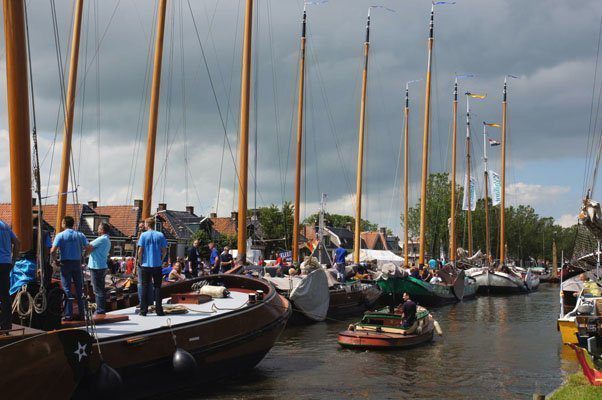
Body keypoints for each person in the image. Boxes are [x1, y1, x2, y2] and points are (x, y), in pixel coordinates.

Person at [51, 216, 89, 321]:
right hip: (77, 263)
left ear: (64, 223)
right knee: (79, 289)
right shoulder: (80, 235)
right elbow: (89, 247)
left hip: (65, 263)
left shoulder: (60, 235)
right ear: (72, 224)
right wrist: (84, 256)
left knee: (67, 288)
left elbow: (52, 250)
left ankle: (68, 315)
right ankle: (82, 314)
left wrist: (55, 261)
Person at [137, 218, 168, 316]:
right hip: (157, 265)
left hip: (146, 265)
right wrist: (161, 259)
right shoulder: (160, 235)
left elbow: (140, 251)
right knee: (158, 287)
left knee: (145, 287)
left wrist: (140, 261)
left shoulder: (143, 235)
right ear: (154, 224)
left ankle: (143, 311)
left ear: (147, 224)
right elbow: (164, 251)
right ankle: (159, 310)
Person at [86, 222, 111, 315]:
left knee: (97, 289)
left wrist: (85, 254)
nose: (97, 229)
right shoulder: (107, 240)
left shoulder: (101, 239)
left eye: (99, 228)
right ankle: (101, 308)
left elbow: (88, 245)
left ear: (102, 230)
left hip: (96, 266)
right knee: (100, 288)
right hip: (102, 266)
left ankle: (100, 310)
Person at [0, 219, 19, 331]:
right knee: (4, 295)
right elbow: (17, 243)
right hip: (6, 263)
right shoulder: (6, 226)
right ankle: (6, 325)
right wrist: (14, 260)